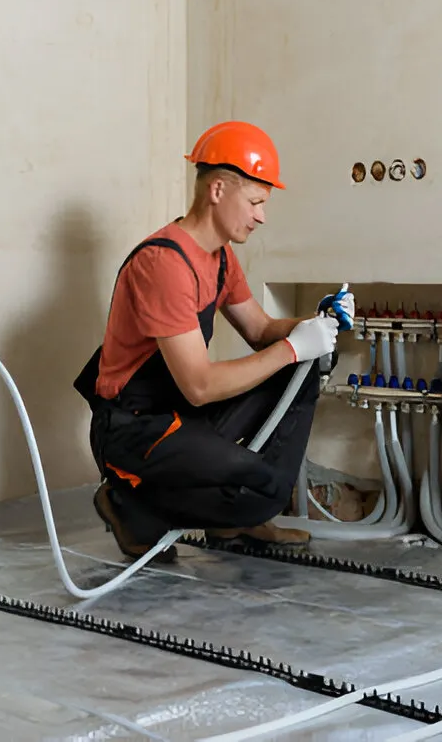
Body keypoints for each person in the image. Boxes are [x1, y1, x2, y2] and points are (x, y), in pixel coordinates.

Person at [73, 120, 355, 563]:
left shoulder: (220, 258)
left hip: (182, 416)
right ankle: (130, 505)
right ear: (218, 190)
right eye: (256, 202)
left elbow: (261, 331)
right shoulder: (165, 264)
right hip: (135, 429)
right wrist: (293, 347)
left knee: (301, 374)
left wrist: (319, 325)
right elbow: (199, 386)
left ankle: (237, 517)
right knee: (262, 486)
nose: (261, 216)